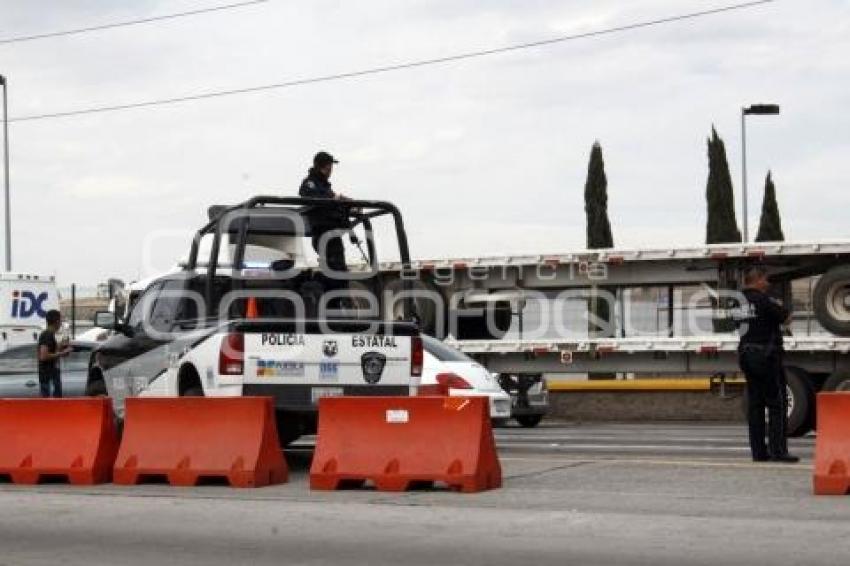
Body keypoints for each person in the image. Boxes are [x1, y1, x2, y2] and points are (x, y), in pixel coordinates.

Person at [737, 266, 799, 463]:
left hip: (746, 355)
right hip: (766, 356)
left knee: (755, 406)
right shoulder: (764, 300)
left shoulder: (737, 302)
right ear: (757, 280)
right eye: (766, 279)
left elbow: (736, 324)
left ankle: (758, 452)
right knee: (776, 404)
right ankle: (778, 450)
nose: (768, 283)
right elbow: (787, 317)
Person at [298, 151, 349, 273]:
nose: (331, 169)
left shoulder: (323, 185)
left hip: (331, 233)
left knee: (338, 268)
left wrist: (347, 204)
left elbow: (331, 199)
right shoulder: (310, 183)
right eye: (329, 166)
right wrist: (334, 199)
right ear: (325, 166)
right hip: (322, 233)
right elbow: (315, 198)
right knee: (336, 269)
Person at [37, 309, 72, 398]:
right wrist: (62, 353)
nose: (61, 323)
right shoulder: (46, 335)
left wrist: (60, 346)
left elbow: (51, 352)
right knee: (51, 406)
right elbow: (43, 356)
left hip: (51, 376)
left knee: (55, 405)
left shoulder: (50, 335)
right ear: (56, 321)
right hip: (49, 377)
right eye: (60, 320)